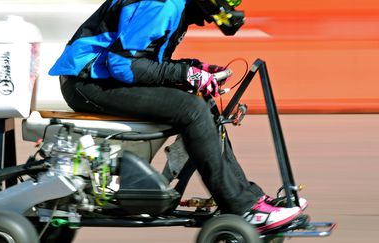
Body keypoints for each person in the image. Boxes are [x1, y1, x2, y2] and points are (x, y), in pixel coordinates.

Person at [49, 0, 306, 232]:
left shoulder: (174, 5)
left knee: (201, 102)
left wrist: (193, 68)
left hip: (103, 77)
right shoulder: (162, 4)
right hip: (86, 83)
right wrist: (186, 75)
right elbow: (123, 65)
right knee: (190, 109)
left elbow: (146, 60)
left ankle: (247, 199)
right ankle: (241, 206)